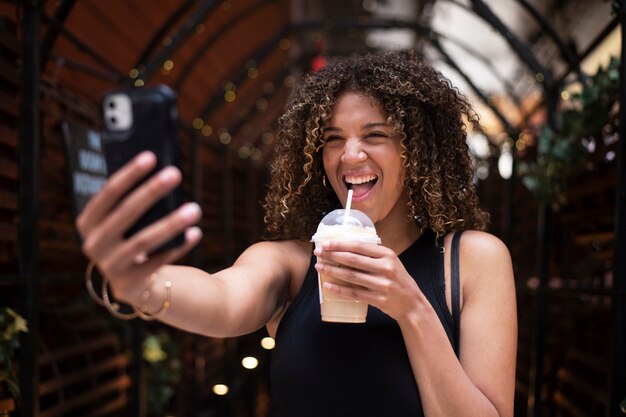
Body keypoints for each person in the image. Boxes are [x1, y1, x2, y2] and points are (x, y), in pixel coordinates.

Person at [77, 50, 517, 417]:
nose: (349, 154)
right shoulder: (290, 263)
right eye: (332, 138)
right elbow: (221, 299)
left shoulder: (473, 260)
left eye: (375, 134)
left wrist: (412, 310)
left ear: (418, 149)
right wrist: (142, 284)